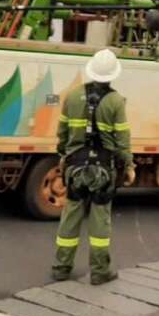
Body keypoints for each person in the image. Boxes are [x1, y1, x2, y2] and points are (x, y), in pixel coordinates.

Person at [51, 49, 134, 285]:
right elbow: (122, 140)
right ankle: (99, 272)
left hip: (75, 166)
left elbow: (62, 133)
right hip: (103, 170)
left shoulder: (74, 95)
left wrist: (62, 155)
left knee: (70, 216)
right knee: (100, 220)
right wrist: (128, 165)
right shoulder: (116, 101)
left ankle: (61, 267)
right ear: (112, 75)